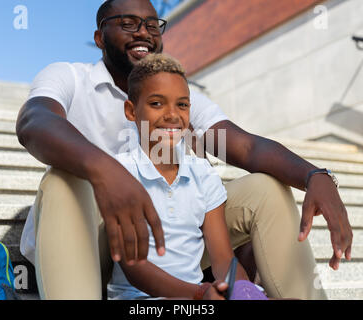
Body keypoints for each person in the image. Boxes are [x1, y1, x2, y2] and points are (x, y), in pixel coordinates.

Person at [16, 0, 352, 300]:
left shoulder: (180, 100)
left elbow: (245, 146)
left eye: (152, 25)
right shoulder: (70, 77)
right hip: (90, 242)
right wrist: (106, 172)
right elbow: (34, 121)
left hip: (169, 245)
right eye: (128, 23)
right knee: (62, 180)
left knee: (265, 188)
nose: (144, 33)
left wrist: (316, 175)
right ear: (100, 37)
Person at [107, 53, 254, 300]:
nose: (173, 115)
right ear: (131, 111)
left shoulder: (203, 173)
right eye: (156, 103)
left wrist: (245, 294)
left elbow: (223, 260)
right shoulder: (119, 172)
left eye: (182, 104)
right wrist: (200, 293)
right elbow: (134, 266)